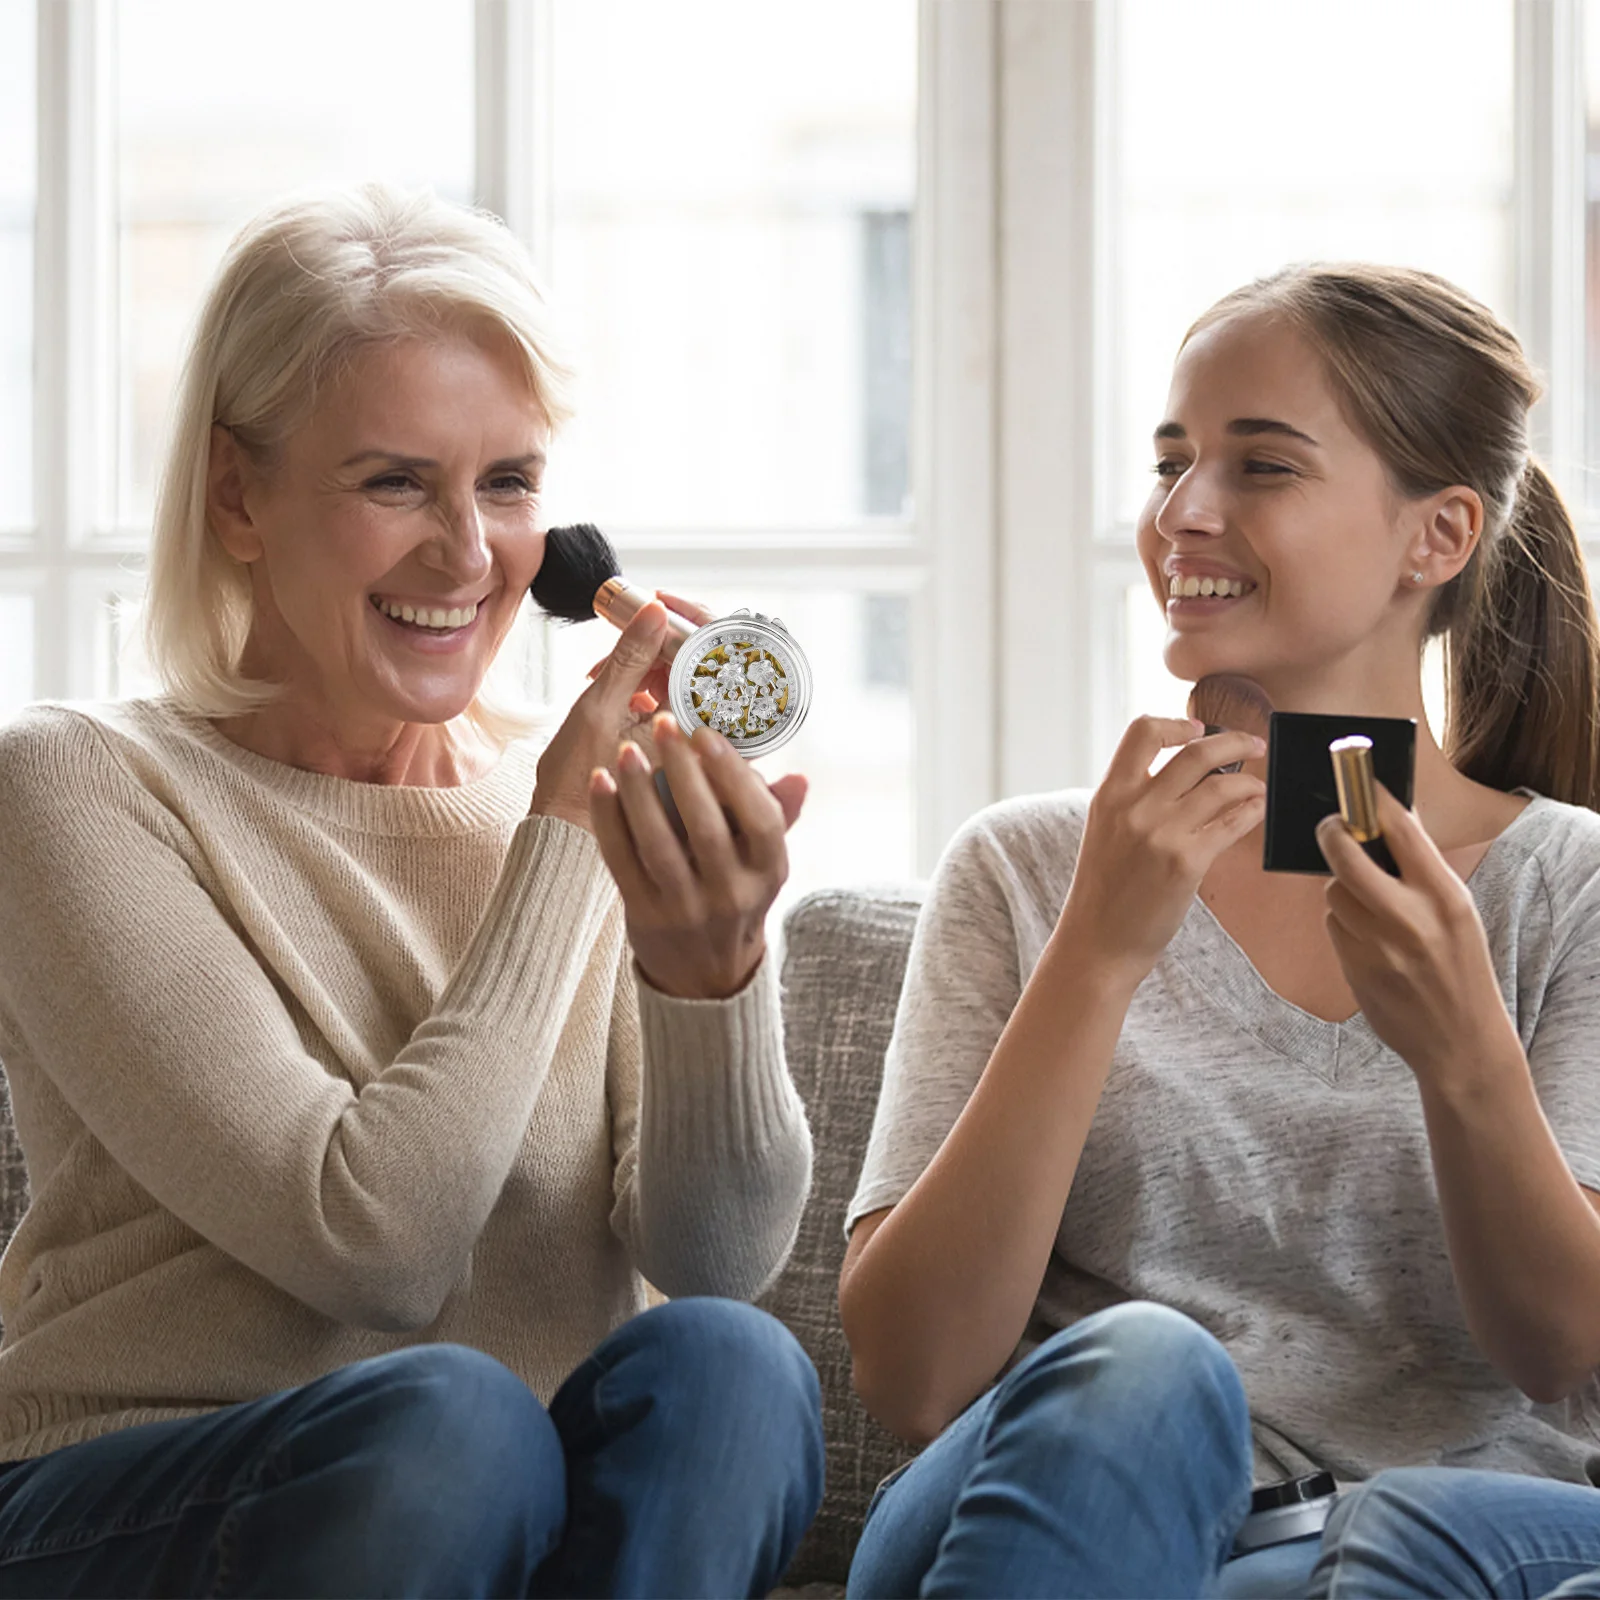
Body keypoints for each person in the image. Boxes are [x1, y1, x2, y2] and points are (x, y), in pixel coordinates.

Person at [0, 183, 824, 1598]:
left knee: (734, 1365)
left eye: (508, 485)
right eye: (395, 483)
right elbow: (373, 1241)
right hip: (149, 1493)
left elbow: (717, 1255)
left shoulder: (564, 793)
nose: (469, 556)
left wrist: (714, 976)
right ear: (238, 496)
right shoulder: (71, 789)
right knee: (454, 1423)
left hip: (507, 1506)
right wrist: (560, 839)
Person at [838, 262, 1600, 1599]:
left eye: (1261, 468)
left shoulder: (1571, 891)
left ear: (1438, 536)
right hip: (1049, 1508)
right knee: (1149, 1364)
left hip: (1390, 1553)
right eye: (1171, 463)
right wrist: (1098, 953)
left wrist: (1468, 1056)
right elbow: (915, 1375)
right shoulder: (1027, 867)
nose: (1181, 515)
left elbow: (1561, 1354)